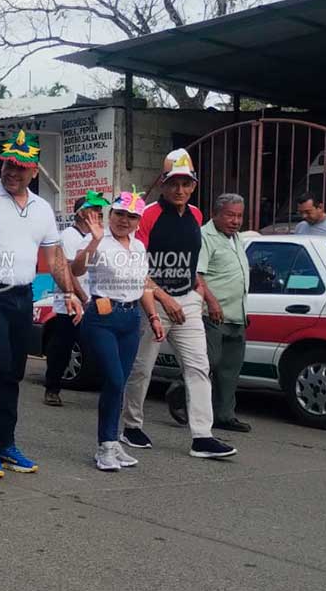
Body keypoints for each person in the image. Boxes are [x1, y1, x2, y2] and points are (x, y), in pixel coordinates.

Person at [0, 130, 83, 478]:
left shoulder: (41, 209)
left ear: (34, 171)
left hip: (21, 295)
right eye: (9, 164)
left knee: (15, 370)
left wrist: (70, 293)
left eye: (22, 167)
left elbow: (54, 259)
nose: (13, 172)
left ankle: (5, 442)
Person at [119, 149, 237, 459]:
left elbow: (191, 260)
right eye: (174, 183)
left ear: (194, 185)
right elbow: (137, 266)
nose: (180, 190)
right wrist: (163, 298)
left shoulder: (196, 215)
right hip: (152, 302)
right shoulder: (147, 216)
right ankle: (131, 426)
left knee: (199, 368)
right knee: (142, 367)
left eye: (186, 184)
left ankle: (202, 436)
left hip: (187, 301)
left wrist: (197, 291)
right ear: (162, 184)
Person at [72, 188, 166, 471]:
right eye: (120, 214)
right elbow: (76, 270)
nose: (125, 220)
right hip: (102, 317)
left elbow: (143, 286)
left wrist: (153, 317)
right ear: (111, 214)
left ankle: (113, 442)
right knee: (113, 379)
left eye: (132, 216)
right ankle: (104, 447)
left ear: (139, 221)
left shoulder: (138, 247)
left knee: (120, 384)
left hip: (129, 319)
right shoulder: (98, 240)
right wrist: (94, 242)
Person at [189, 194, 252, 433]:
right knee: (208, 362)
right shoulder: (205, 236)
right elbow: (197, 274)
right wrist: (212, 302)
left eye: (239, 216)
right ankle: (180, 393)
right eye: (230, 215)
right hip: (212, 314)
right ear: (216, 213)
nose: (236, 221)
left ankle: (225, 415)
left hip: (237, 315)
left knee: (230, 369)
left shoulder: (237, 239)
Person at [43, 192, 107, 406]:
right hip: (70, 305)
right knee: (63, 347)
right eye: (94, 209)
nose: (99, 213)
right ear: (81, 213)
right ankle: (52, 389)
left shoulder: (98, 237)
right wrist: (82, 297)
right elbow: (70, 272)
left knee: (100, 345)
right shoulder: (69, 237)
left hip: (94, 300)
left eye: (100, 210)